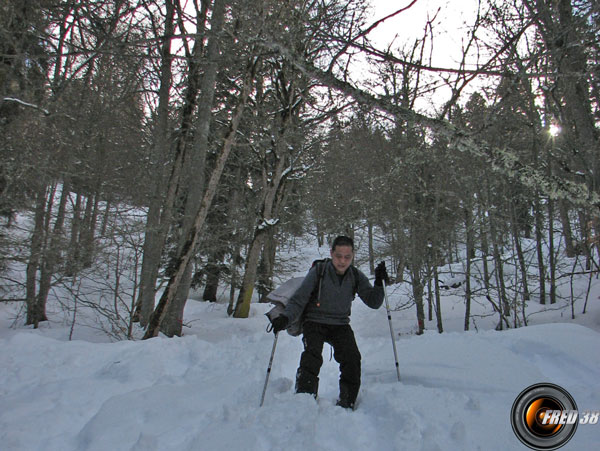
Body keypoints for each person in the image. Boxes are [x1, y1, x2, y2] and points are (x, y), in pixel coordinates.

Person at [270, 235, 389, 409]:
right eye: (338, 256)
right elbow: (299, 299)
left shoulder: (355, 275)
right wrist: (285, 318)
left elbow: (374, 302)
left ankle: (347, 401)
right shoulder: (319, 271)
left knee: (352, 358)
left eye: (347, 257)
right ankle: (304, 398)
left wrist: (379, 283)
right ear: (331, 253)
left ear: (352, 256)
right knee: (312, 356)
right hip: (314, 321)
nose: (342, 261)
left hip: (340, 323)